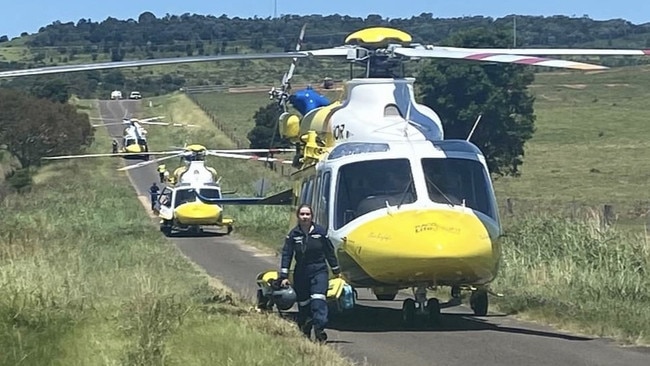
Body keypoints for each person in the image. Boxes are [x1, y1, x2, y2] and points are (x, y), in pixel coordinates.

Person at [279, 204, 341, 342]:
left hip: (319, 270)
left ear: (312, 216)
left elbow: (329, 252)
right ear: (298, 216)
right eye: (302, 214)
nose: (305, 217)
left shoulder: (320, 232)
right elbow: (287, 254)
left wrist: (336, 270)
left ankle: (319, 329)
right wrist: (283, 276)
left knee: (318, 300)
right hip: (301, 272)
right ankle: (305, 329)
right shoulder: (293, 235)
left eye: (307, 214)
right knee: (303, 304)